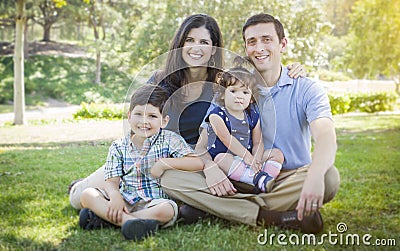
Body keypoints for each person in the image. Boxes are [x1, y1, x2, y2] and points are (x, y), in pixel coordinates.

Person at [68, 14, 305, 211]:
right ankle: (84, 187)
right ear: (180, 44)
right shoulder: (161, 80)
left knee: (186, 194)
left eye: (204, 42)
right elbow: (140, 127)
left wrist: (293, 68)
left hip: (198, 161)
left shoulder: (223, 83)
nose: (196, 48)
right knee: (79, 199)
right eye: (190, 40)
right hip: (155, 154)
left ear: (213, 49)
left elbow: (259, 69)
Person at [161, 13, 340, 234]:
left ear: (282, 44)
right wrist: (210, 167)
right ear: (246, 48)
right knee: (169, 176)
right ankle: (272, 216)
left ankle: (218, 208)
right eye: (252, 42)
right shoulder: (230, 90)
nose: (259, 48)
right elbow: (205, 142)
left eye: (267, 39)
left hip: (282, 180)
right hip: (234, 176)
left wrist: (314, 177)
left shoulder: (305, 88)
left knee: (328, 177)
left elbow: (326, 136)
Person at [78, 84, 203, 241]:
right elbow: (111, 181)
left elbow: (197, 163)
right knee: (87, 195)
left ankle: (108, 220)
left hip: (153, 202)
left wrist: (165, 163)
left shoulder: (169, 139)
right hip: (124, 199)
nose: (144, 121)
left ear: (164, 121)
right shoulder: (118, 146)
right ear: (129, 116)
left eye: (152, 116)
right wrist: (115, 196)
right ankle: (131, 222)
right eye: (139, 114)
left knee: (169, 210)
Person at [204, 59, 284, 194]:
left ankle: (265, 180)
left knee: (276, 153)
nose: (239, 96)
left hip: (249, 160)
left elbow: (258, 142)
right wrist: (247, 157)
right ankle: (255, 180)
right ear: (223, 94)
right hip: (229, 161)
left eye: (245, 92)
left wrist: (256, 159)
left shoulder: (252, 116)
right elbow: (227, 139)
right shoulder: (216, 115)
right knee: (221, 159)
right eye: (233, 91)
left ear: (251, 98)